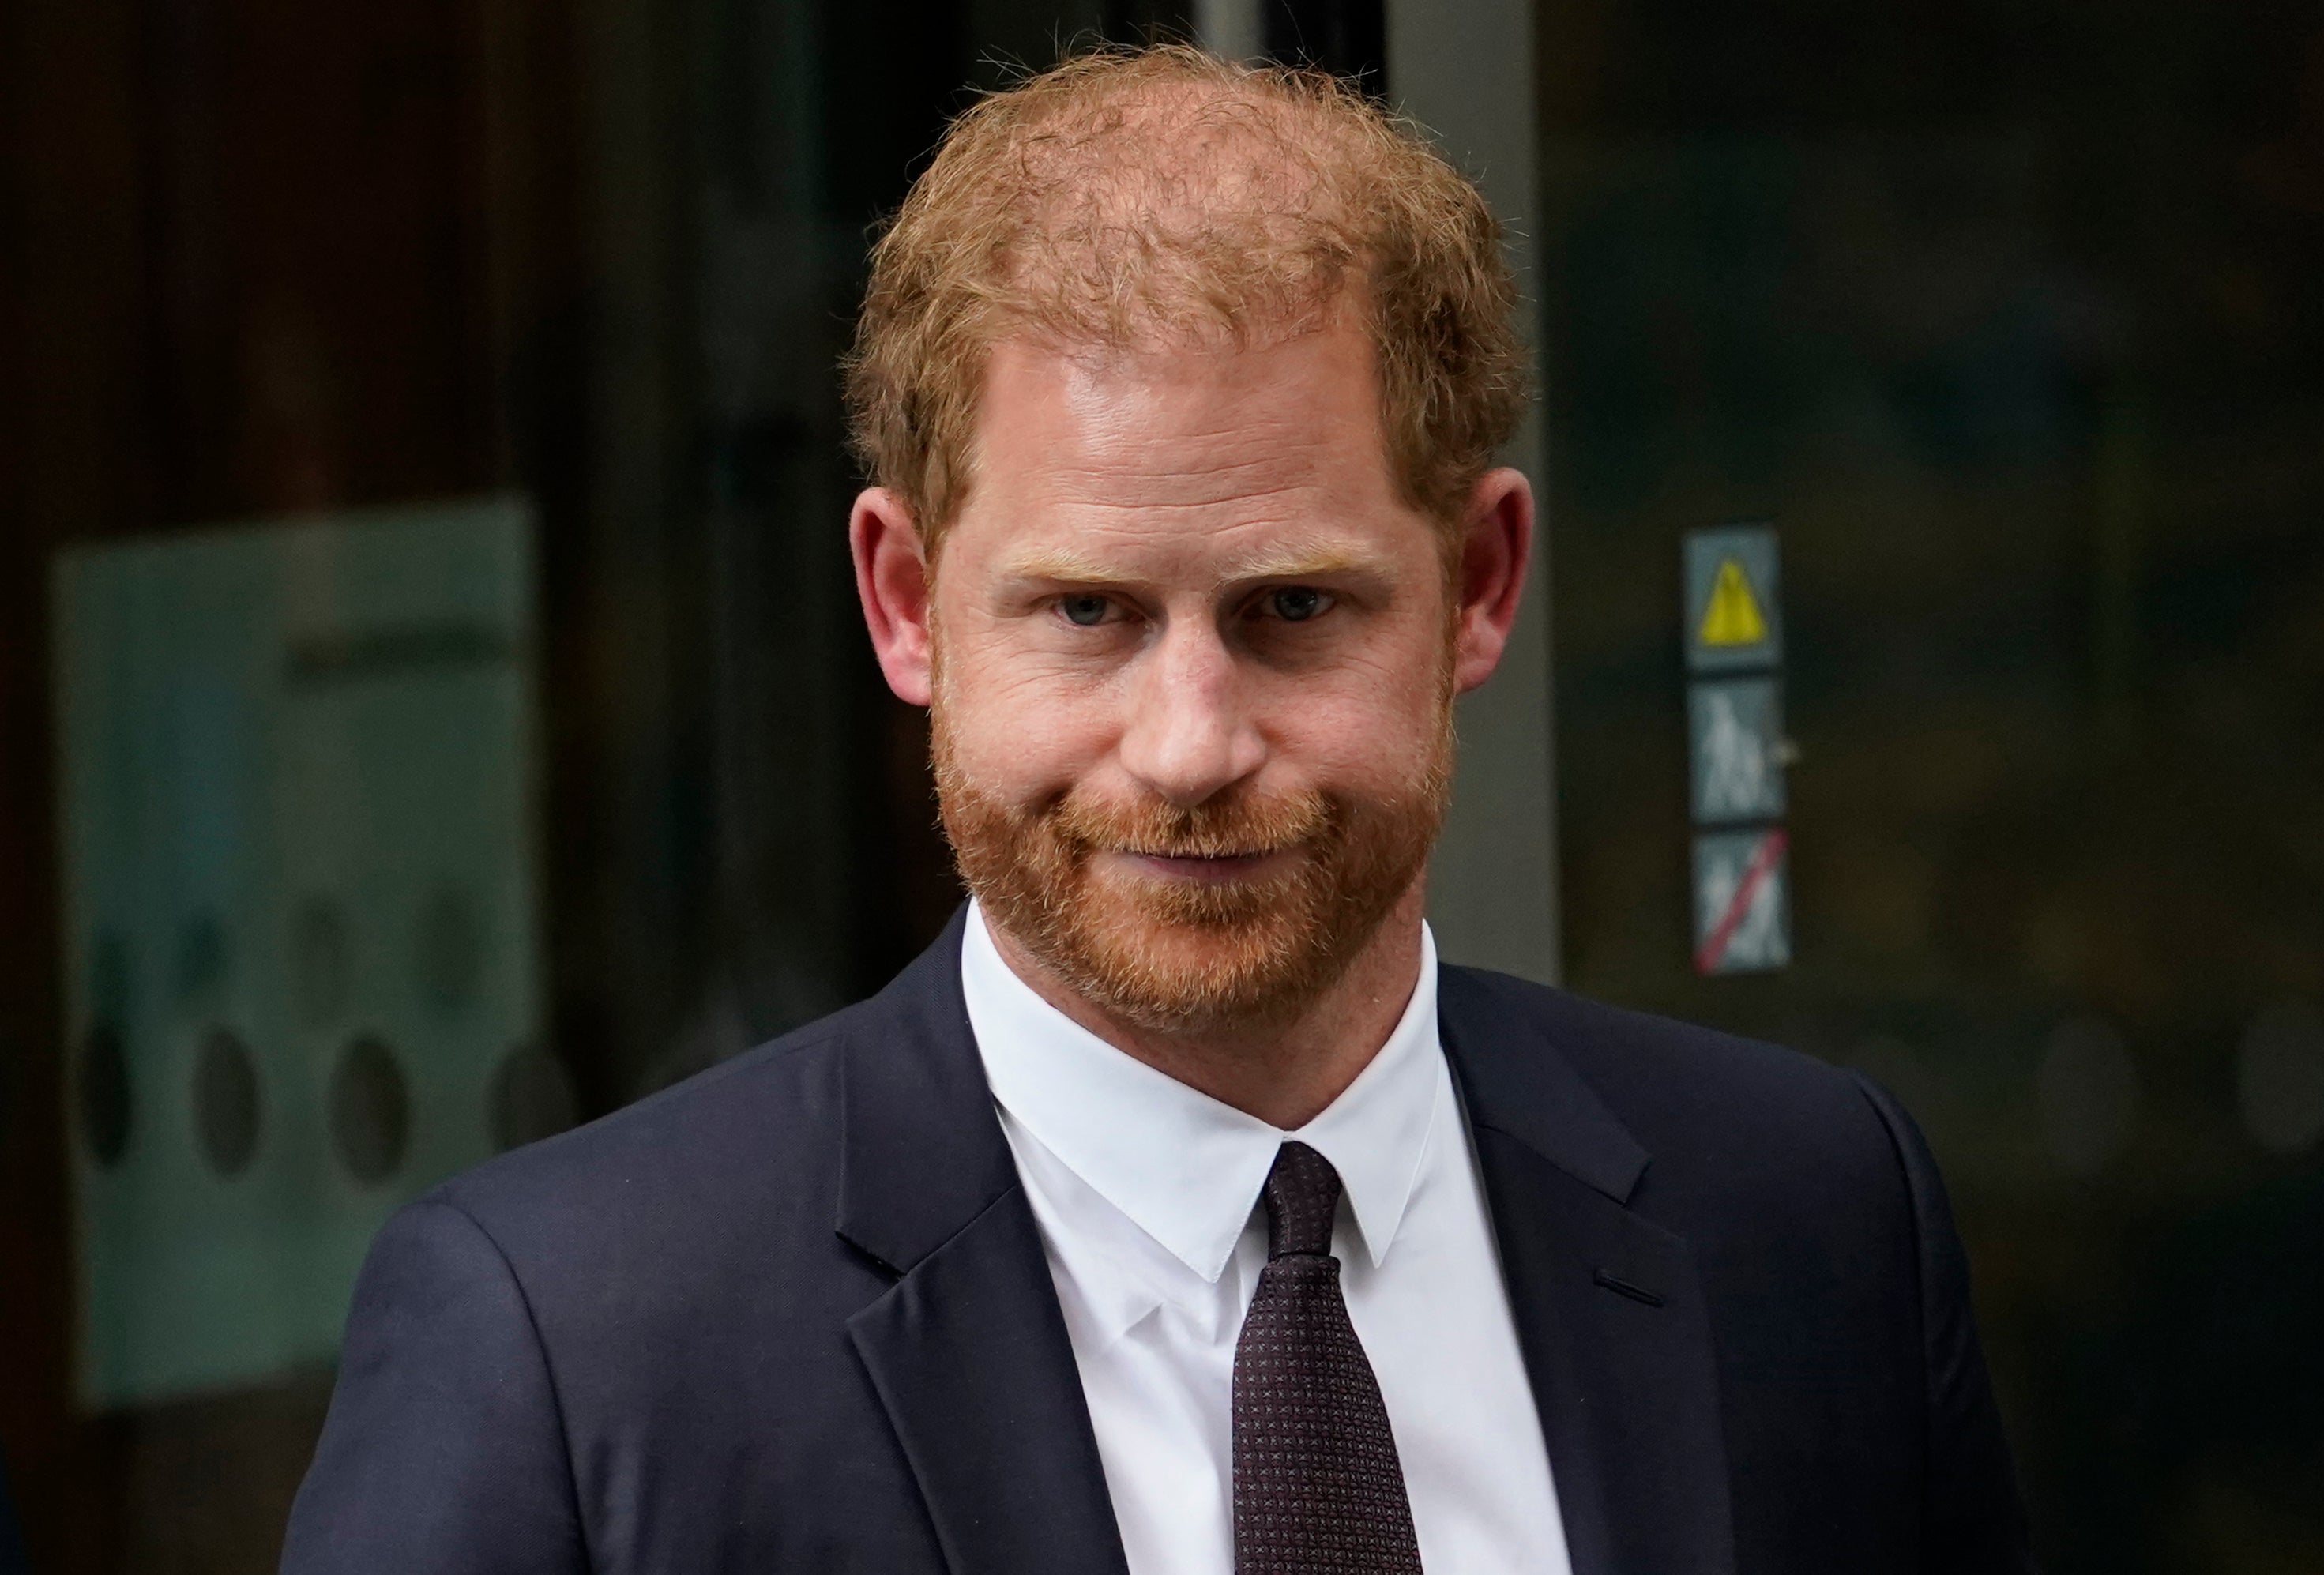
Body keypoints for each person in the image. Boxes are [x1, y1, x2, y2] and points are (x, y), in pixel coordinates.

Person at [281, 45, 2032, 1575]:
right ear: (903, 606)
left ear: (1480, 583)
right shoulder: (567, 1345)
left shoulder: (1807, 1225)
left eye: (1290, 610)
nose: (1189, 748)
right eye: (1086, 613)